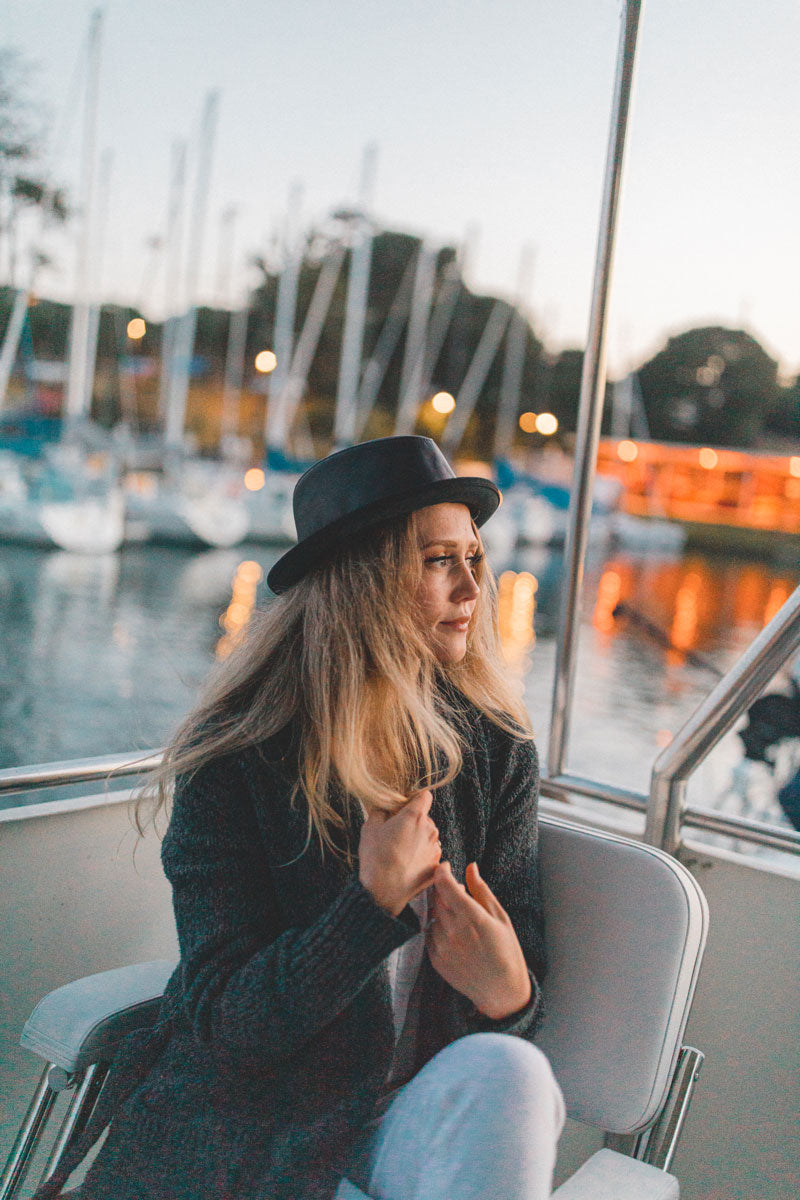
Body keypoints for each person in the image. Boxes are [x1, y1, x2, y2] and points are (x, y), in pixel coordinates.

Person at [39, 436, 565, 1200]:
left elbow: (520, 996)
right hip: (261, 1130)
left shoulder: (495, 748)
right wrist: (369, 906)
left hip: (406, 1124)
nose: (470, 587)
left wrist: (510, 994)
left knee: (514, 1072)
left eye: (473, 558)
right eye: (437, 560)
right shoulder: (239, 760)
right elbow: (226, 1027)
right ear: (363, 581)